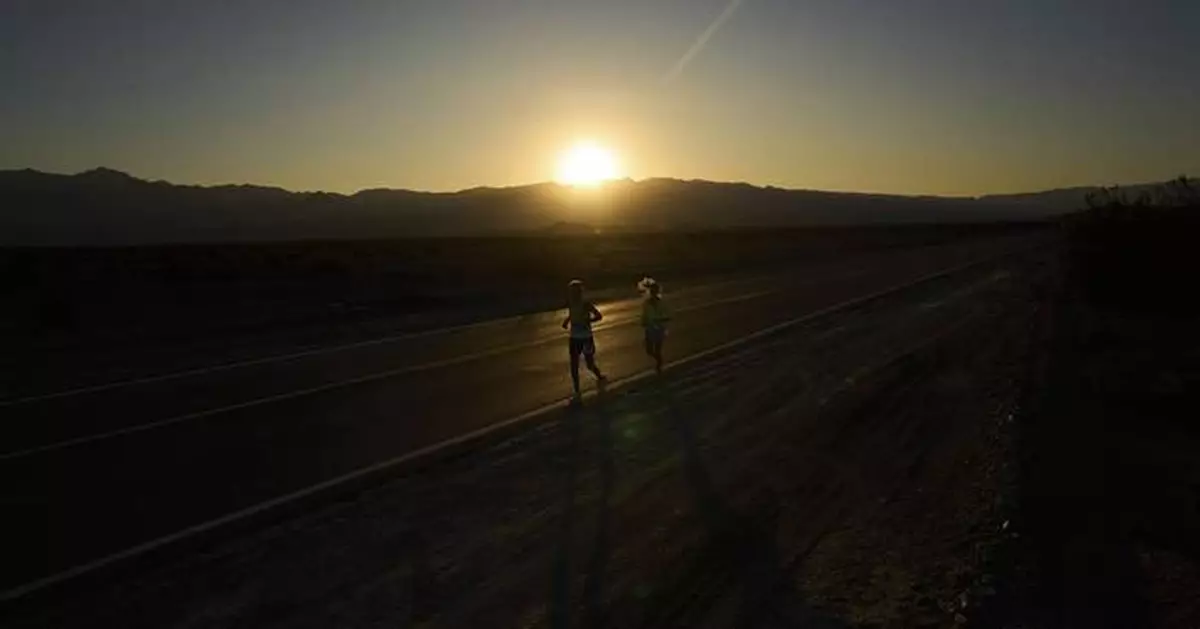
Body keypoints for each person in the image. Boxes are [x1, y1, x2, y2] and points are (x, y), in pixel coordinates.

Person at [561, 279, 606, 400]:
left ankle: (599, 376)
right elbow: (572, 313)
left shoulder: (586, 304)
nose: (572, 294)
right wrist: (567, 320)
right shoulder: (571, 303)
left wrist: (588, 320)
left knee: (589, 363)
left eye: (574, 291)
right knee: (574, 363)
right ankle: (576, 390)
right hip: (574, 337)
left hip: (586, 337)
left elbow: (599, 316)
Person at [639, 277, 670, 373]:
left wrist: (660, 321)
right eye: (651, 291)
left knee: (657, 349)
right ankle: (658, 361)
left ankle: (659, 365)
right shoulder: (646, 303)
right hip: (649, 329)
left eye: (654, 291)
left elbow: (667, 315)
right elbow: (644, 314)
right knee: (649, 350)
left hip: (659, 329)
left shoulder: (661, 303)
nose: (652, 292)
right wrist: (643, 322)